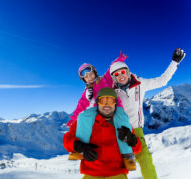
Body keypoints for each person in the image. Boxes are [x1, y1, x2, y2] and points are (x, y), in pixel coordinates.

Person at [109, 48, 186, 179]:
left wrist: (174, 63)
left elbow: (162, 81)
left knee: (145, 160)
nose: (121, 76)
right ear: (113, 78)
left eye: (122, 72)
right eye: (116, 75)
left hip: (137, 131)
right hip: (120, 131)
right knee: (117, 165)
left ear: (127, 72)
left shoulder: (140, 84)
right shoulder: (111, 91)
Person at [63, 88, 142, 179]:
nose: (107, 104)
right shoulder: (85, 120)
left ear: (115, 103)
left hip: (116, 173)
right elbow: (67, 140)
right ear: (97, 103)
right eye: (103, 100)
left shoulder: (122, 122)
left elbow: (137, 148)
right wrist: (79, 146)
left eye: (110, 101)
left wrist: (132, 140)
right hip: (92, 172)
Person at [67, 52, 127, 127]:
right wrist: (73, 119)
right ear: (84, 80)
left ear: (95, 72)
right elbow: (81, 105)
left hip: (115, 110)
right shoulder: (88, 91)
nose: (90, 78)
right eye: (86, 77)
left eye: (91, 74)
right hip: (101, 115)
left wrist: (121, 58)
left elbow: (112, 68)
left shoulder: (105, 79)